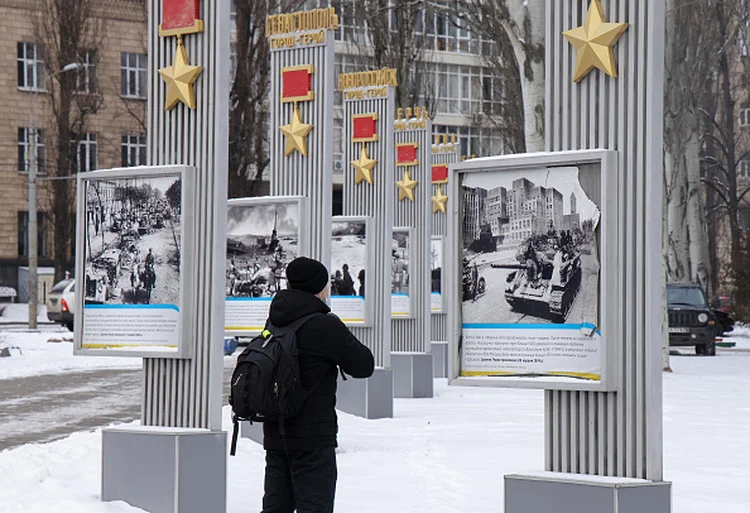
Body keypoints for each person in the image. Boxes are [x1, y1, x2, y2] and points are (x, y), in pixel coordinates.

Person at [262, 257, 374, 513]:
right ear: (321, 288)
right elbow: (364, 364)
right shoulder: (324, 325)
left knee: (275, 508)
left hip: (276, 434)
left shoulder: (275, 320)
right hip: (313, 439)